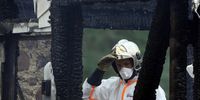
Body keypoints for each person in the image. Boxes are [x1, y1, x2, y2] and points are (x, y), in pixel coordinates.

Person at [82, 39, 166, 100]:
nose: (123, 68)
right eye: (119, 65)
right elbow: (86, 95)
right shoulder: (110, 85)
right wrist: (100, 70)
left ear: (136, 62)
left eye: (126, 64)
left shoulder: (151, 88)